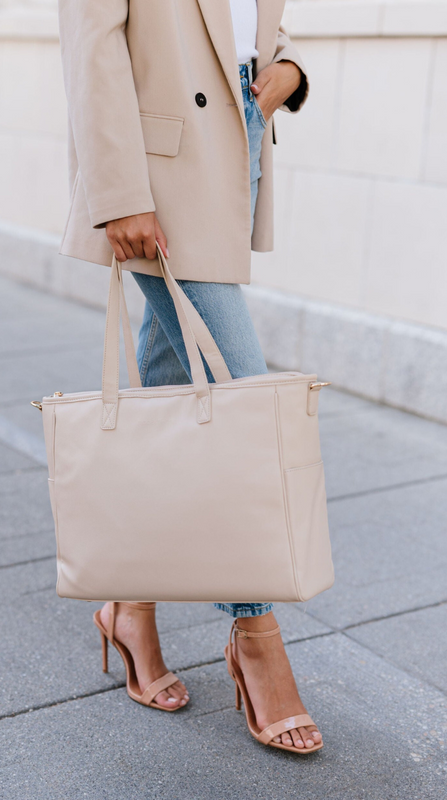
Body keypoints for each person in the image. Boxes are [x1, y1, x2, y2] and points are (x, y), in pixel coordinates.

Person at [58, 0, 322, 752]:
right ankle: (255, 635)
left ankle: (129, 607)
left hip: (232, 146)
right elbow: (91, 47)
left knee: (173, 397)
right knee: (240, 402)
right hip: (155, 179)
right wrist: (118, 194)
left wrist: (290, 72)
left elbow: (253, 24)